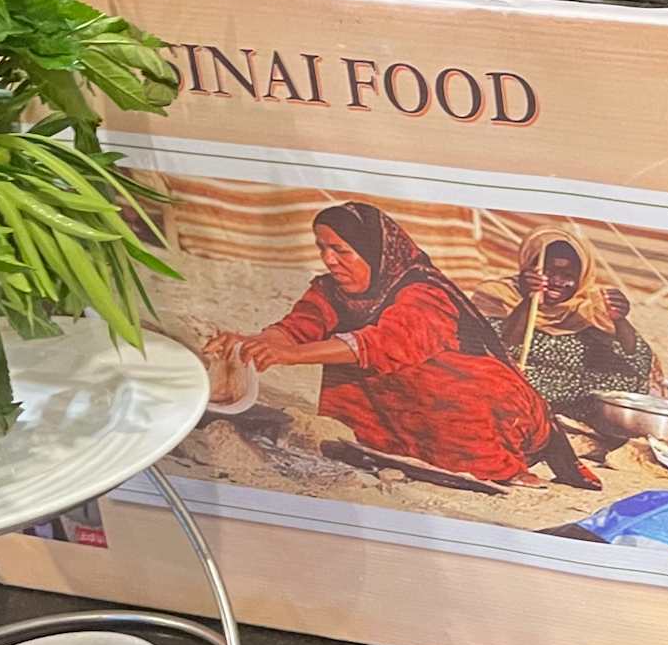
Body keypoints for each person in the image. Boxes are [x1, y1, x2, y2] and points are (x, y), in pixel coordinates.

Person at [210, 202, 599, 489]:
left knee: (441, 385)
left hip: (482, 406)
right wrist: (252, 344)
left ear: (372, 251)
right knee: (362, 385)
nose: (329, 260)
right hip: (399, 414)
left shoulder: (423, 291)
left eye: (341, 250)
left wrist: (292, 355)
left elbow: (383, 343)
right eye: (322, 248)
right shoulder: (329, 291)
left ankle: (512, 463)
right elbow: (296, 328)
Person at [478, 225, 658, 419]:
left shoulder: (590, 306)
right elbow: (497, 346)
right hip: (514, 380)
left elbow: (639, 362)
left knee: (629, 384)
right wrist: (529, 301)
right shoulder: (499, 294)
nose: (557, 281)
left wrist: (620, 320)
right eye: (548, 272)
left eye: (568, 276)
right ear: (530, 267)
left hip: (574, 392)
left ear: (582, 277)